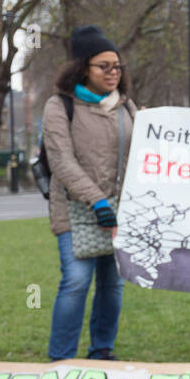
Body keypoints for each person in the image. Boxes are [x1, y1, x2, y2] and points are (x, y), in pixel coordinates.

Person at [43, 26, 137, 360]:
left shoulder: (126, 107)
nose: (114, 72)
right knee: (76, 282)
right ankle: (62, 358)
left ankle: (101, 352)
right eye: (104, 66)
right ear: (84, 68)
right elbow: (61, 161)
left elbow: (143, 154)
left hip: (119, 211)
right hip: (76, 210)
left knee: (113, 285)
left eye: (117, 66)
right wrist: (96, 199)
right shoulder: (59, 106)